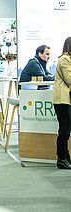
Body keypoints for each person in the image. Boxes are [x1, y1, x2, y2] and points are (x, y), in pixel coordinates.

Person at [53, 37, 71, 169]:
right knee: (64, 130)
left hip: (66, 100)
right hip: (62, 100)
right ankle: (61, 158)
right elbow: (69, 79)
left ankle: (66, 157)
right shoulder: (64, 59)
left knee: (67, 130)